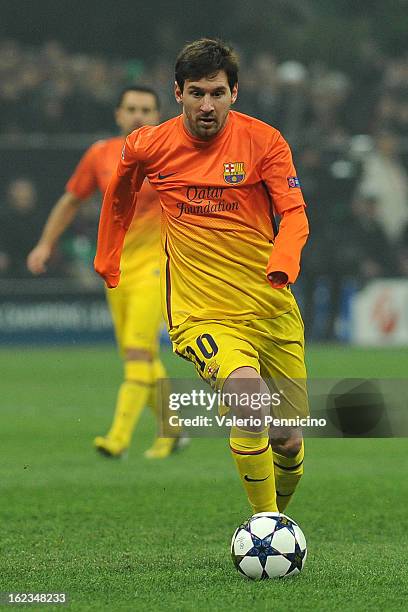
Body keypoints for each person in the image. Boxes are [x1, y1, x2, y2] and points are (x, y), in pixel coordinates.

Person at [95, 39, 309, 517]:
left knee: (289, 440)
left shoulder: (265, 142)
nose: (206, 105)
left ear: (235, 92)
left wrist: (284, 261)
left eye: (216, 93)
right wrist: (109, 256)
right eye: (196, 93)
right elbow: (119, 197)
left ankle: (278, 522)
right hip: (202, 313)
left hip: (271, 307)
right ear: (177, 93)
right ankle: (265, 522)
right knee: (250, 403)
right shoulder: (149, 145)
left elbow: (294, 214)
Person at [27, 86, 182, 460]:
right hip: (116, 271)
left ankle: (118, 438)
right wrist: (45, 243)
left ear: (159, 115)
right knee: (141, 355)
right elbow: (71, 200)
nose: (138, 115)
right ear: (117, 114)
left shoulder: (173, 153)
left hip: (157, 269)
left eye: (146, 109)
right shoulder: (100, 154)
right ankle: (174, 429)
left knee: (136, 354)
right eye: (131, 108)